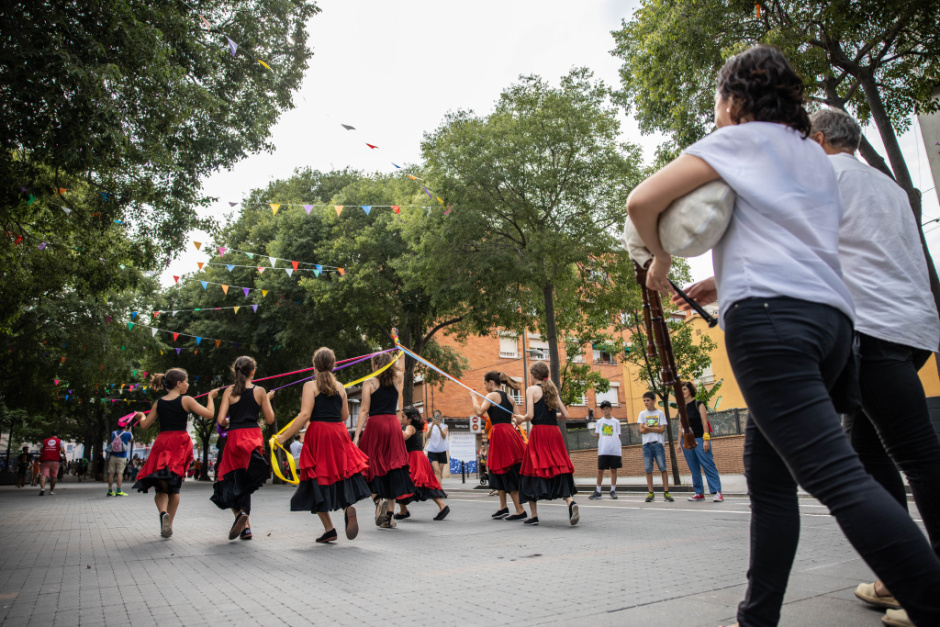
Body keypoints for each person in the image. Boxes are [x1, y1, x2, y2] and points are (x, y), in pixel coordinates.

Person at [627, 44, 940, 627]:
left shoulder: (741, 141)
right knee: (769, 481)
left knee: (837, 477)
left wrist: (661, 260)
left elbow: (642, 200)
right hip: (832, 326)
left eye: (718, 99)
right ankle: (757, 616)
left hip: (770, 321)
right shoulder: (813, 157)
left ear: (734, 98)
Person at [810, 109, 940, 621]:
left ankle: (926, 584)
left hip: (871, 329)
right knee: (865, 449)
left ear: (818, 140)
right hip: (912, 327)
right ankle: (897, 573)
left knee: (916, 454)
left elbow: (803, 250)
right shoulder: (887, 186)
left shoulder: (825, 177)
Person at [279, 347, 371, 544]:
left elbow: (304, 415)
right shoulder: (340, 387)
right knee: (341, 473)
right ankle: (347, 507)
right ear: (333, 364)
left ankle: (329, 529)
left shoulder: (309, 386)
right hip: (338, 432)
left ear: (314, 366)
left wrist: (283, 437)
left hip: (318, 434)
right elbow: (345, 416)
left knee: (317, 477)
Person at [132, 368, 218, 539]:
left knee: (160, 487)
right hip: (178, 445)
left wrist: (141, 416)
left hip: (162, 443)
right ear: (178, 384)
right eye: (186, 381)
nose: (188, 384)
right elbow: (209, 414)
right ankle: (169, 523)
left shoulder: (159, 403)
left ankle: (163, 512)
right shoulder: (186, 400)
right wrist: (210, 398)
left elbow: (145, 425)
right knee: (175, 488)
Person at [211, 356, 276, 541]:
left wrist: (232, 420)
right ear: (253, 372)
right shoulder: (260, 391)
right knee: (246, 481)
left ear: (235, 371)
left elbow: (221, 420)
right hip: (253, 437)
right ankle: (245, 525)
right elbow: (270, 420)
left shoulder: (228, 392)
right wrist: (267, 399)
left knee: (230, 478)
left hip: (235, 437)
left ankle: (242, 518)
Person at [353, 350, 415, 528]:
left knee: (370, 465)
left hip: (375, 425)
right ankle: (390, 517)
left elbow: (364, 410)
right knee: (393, 467)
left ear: (375, 365)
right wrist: (399, 348)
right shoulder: (397, 380)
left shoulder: (369, 383)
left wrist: (357, 435)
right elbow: (402, 365)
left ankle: (378, 499)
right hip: (393, 425)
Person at [517, 362, 578, 526]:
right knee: (558, 466)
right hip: (554, 432)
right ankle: (570, 502)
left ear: (534, 375)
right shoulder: (552, 389)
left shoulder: (531, 390)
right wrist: (548, 417)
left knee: (532, 468)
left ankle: (534, 515)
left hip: (539, 433)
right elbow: (565, 415)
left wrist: (520, 419)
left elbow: (529, 415)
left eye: (530, 374)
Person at [469, 372, 527, 520]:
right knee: (499, 470)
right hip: (510, 434)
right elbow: (517, 420)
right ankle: (503, 507)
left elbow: (479, 412)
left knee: (505, 470)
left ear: (490, 382)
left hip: (500, 434)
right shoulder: (510, 398)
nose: (484, 386)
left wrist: (473, 397)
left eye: (484, 383)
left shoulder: (491, 396)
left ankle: (520, 510)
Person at [395, 406, 449, 521]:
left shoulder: (409, 427)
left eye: (403, 416)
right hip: (419, 457)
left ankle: (403, 510)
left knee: (401, 482)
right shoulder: (413, 427)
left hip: (414, 458)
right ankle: (442, 506)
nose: (401, 419)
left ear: (410, 419)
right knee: (426, 483)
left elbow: (405, 436)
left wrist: (396, 426)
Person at [680, 382, 722, 502]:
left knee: (708, 465)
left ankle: (717, 492)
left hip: (699, 439)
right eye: (681, 390)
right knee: (693, 468)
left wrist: (706, 440)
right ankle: (699, 493)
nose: (682, 392)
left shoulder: (699, 404)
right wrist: (679, 442)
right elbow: (680, 426)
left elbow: (705, 422)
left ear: (690, 391)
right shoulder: (682, 408)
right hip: (687, 441)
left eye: (684, 389)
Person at [634, 392, 673, 503]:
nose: (646, 402)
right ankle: (651, 492)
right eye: (644, 400)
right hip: (646, 445)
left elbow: (662, 429)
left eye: (648, 400)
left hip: (658, 444)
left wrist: (648, 427)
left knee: (663, 468)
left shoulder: (660, 413)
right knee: (648, 469)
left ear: (654, 401)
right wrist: (653, 427)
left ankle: (666, 491)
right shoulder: (642, 414)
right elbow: (641, 430)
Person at [589, 400, 627, 500]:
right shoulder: (599, 422)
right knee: (600, 470)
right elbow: (598, 435)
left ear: (611, 409)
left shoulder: (616, 422)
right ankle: (598, 490)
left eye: (607, 408)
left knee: (614, 470)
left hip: (614, 450)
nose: (605, 410)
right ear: (602, 410)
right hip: (603, 449)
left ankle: (613, 490)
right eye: (603, 408)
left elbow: (618, 435)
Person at [107, 424, 134, 497]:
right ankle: (118, 490)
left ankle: (110, 490)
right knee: (120, 473)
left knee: (111, 473)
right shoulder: (127, 433)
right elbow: (131, 439)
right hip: (122, 456)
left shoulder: (113, 433)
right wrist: (129, 431)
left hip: (113, 455)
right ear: (125, 427)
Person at [426, 409, 449, 484]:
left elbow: (444, 436)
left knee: (439, 472)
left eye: (438, 415)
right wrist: (432, 425)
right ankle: (439, 490)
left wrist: (439, 427)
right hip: (432, 450)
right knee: (437, 470)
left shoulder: (444, 426)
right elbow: (427, 436)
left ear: (441, 416)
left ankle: (437, 488)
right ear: (433, 417)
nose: (437, 417)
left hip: (441, 450)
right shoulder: (429, 425)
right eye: (435, 415)